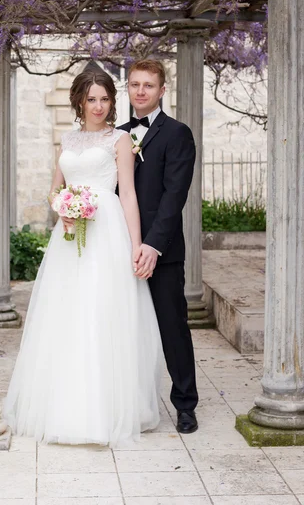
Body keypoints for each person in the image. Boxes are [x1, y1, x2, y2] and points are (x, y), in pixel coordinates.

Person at [3, 69, 163, 447]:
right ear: (79, 101)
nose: (98, 106)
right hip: (71, 234)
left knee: (102, 311)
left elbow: (127, 195)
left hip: (107, 232)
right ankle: (66, 406)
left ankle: (107, 408)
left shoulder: (121, 140)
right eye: (91, 99)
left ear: (112, 101)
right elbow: (55, 188)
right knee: (67, 312)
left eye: (104, 99)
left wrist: (135, 245)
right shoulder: (68, 139)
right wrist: (64, 209)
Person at [118, 59, 199, 434]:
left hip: (162, 253)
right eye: (134, 84)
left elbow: (174, 196)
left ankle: (185, 405)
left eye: (148, 85)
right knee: (122, 328)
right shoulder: (117, 135)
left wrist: (152, 246)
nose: (140, 91)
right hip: (118, 250)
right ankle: (125, 401)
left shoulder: (178, 133)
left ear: (162, 90)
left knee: (172, 327)